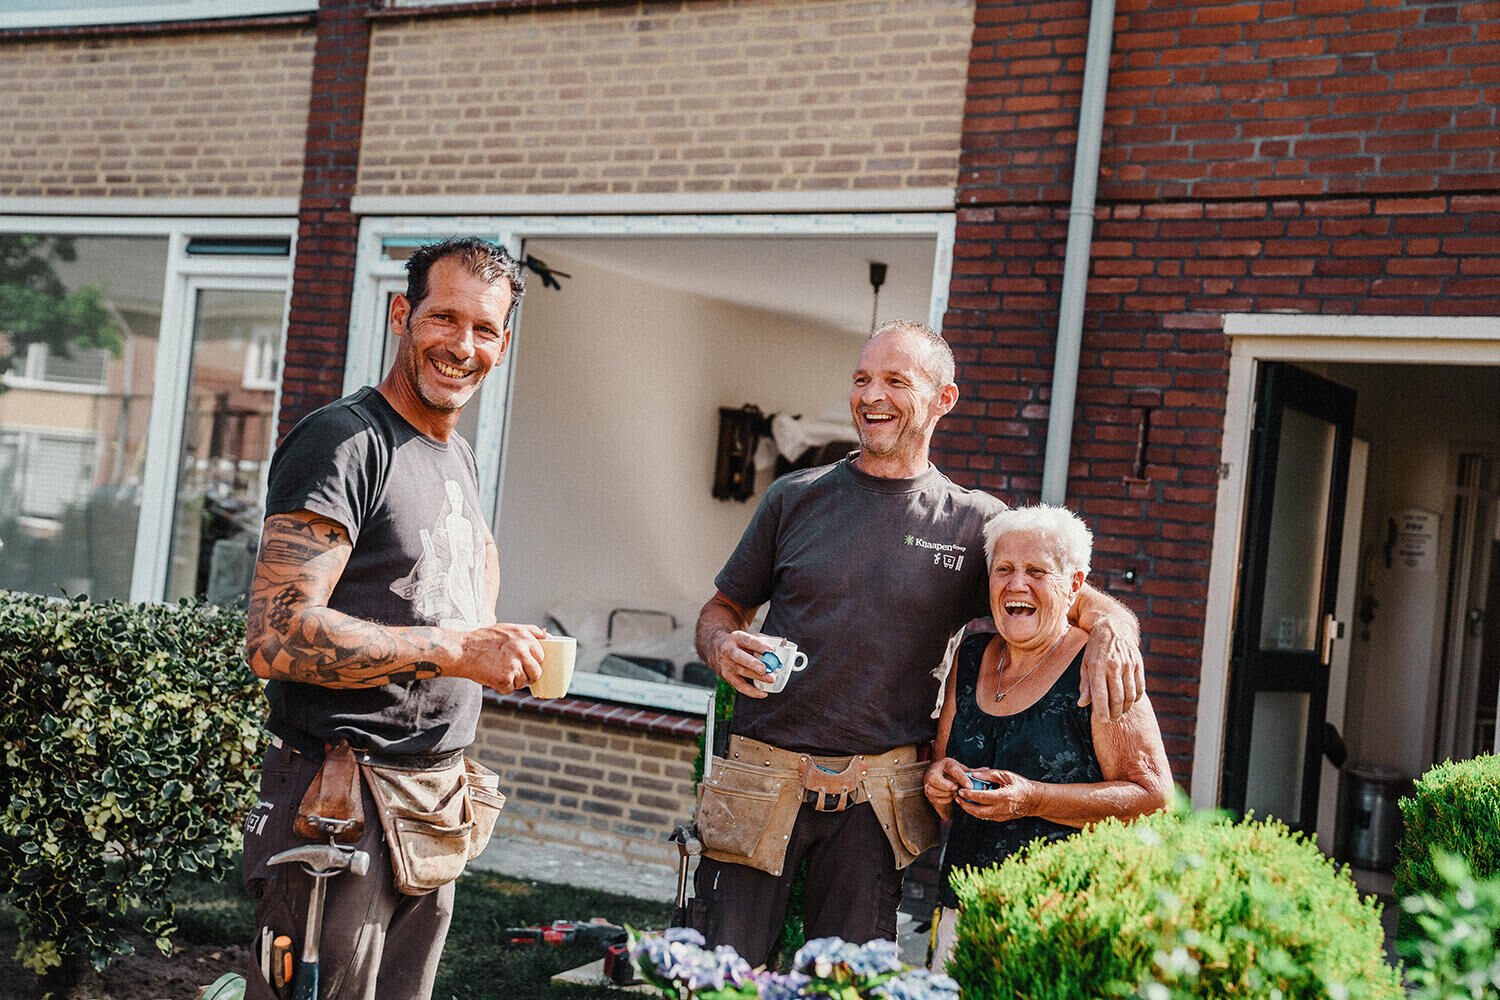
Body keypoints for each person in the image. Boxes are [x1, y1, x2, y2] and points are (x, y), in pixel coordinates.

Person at [691, 319, 1147, 967]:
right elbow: (723, 607)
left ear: (943, 399)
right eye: (861, 379)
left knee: (848, 982)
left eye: (895, 381)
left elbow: (1058, 591)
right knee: (718, 974)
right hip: (760, 782)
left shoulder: (974, 522)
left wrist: (1113, 627)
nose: (871, 395)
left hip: (875, 801)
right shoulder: (794, 497)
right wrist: (721, 645)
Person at [239, 237, 546, 1000]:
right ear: (401, 314)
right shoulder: (344, 442)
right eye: (444, 318)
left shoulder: (454, 454)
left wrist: (491, 635)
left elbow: (462, 564)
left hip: (431, 803)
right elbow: (276, 634)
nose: (463, 346)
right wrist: (455, 650)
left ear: (504, 344)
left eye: (484, 329)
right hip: (341, 807)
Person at [922, 504, 1172, 970]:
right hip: (964, 906)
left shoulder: (1099, 665)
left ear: (1074, 585)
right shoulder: (971, 657)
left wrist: (1033, 799)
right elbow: (943, 783)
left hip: (1060, 919)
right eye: (1004, 570)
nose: (1017, 584)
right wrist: (940, 781)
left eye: (1037, 571)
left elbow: (1153, 798)